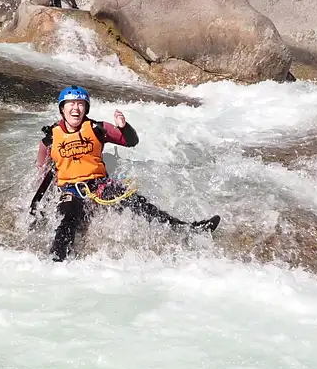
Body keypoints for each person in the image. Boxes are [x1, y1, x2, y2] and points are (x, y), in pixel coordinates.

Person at [30, 86, 220, 261]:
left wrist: (123, 127)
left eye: (80, 104)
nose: (76, 109)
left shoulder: (98, 129)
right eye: (71, 104)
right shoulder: (49, 139)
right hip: (70, 190)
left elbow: (131, 141)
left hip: (99, 185)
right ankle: (57, 261)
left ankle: (189, 229)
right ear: (62, 109)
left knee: (140, 204)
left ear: (86, 109)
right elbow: (43, 171)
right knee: (67, 219)